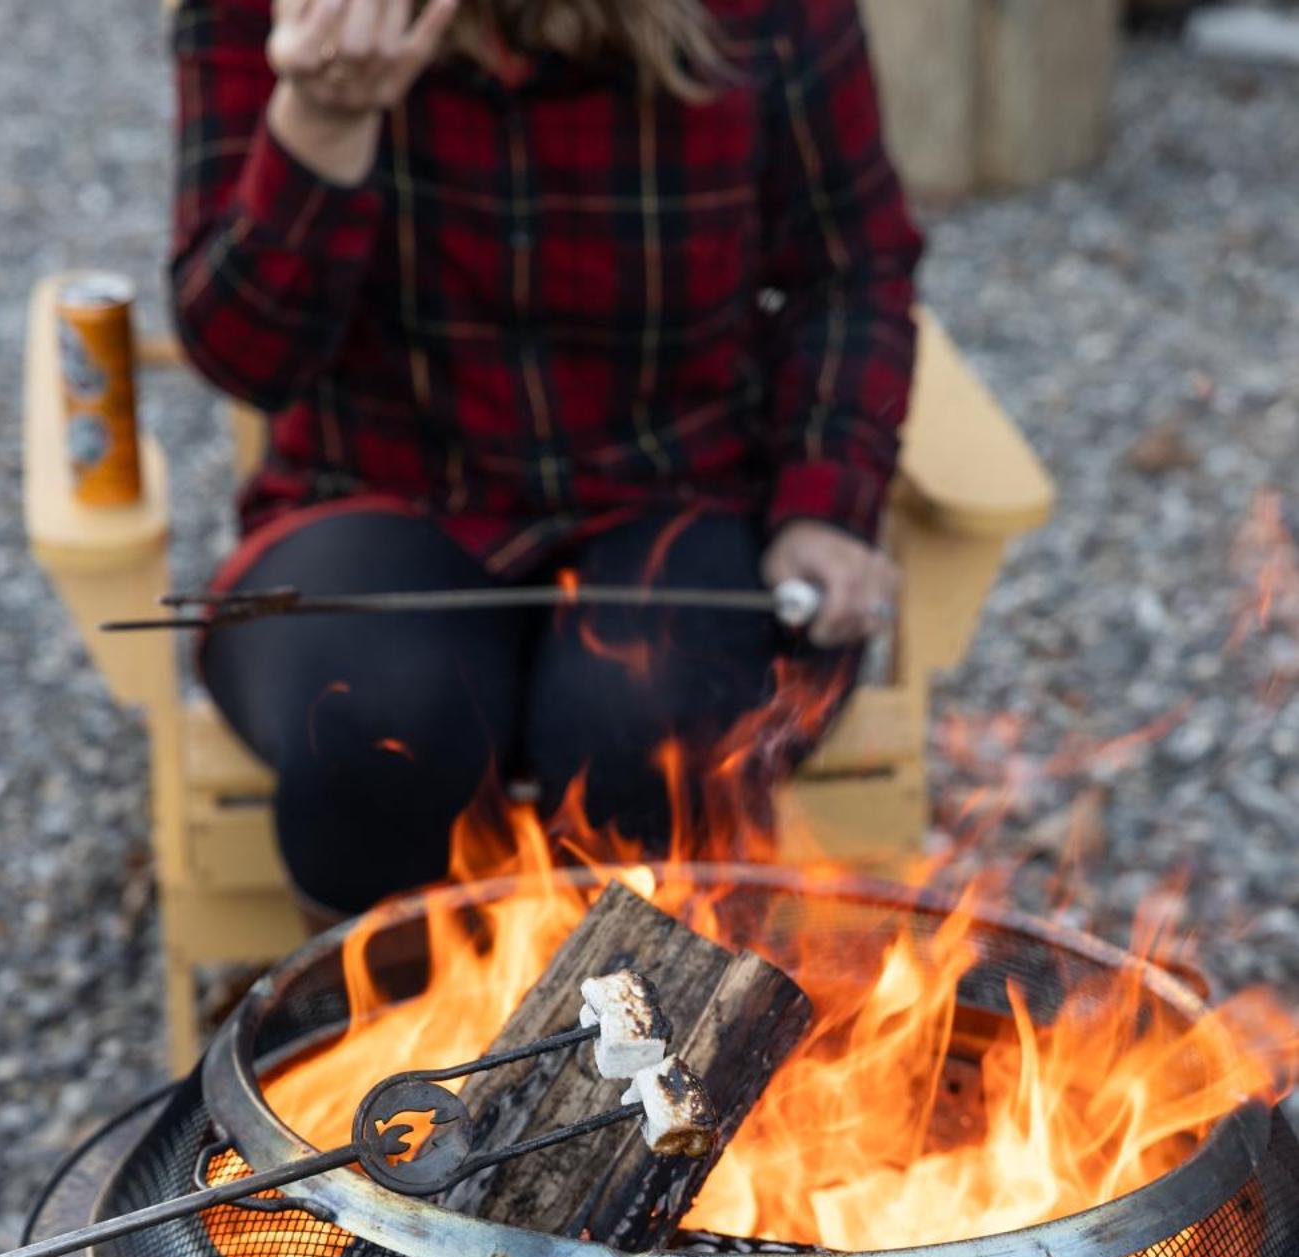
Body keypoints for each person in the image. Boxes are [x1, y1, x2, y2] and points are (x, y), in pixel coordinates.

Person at [171, 0, 923, 919]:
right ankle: (378, 1044)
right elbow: (244, 358)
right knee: (373, 732)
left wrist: (826, 499)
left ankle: (639, 1046)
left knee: (650, 735)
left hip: (676, 490)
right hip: (373, 490)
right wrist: (322, 123)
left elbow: (851, 271)